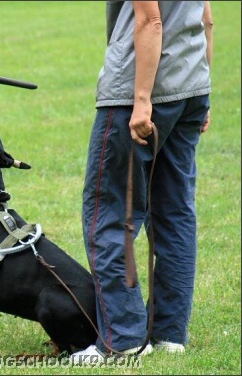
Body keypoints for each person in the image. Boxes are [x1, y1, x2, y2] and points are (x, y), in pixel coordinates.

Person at [71, 1, 212, 364]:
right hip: (191, 86)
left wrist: (142, 101)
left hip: (137, 91)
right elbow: (206, 19)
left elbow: (150, 20)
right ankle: (169, 333)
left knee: (107, 213)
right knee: (175, 212)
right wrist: (201, 90)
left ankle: (124, 338)